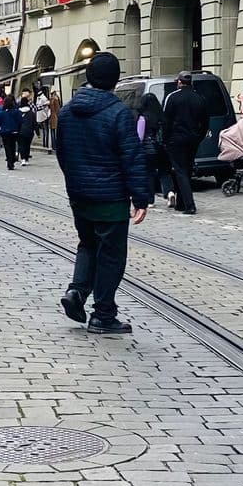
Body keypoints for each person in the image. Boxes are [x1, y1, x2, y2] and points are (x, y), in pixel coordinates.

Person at [54, 50, 153, 335]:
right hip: (110, 196)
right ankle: (103, 313)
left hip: (79, 194)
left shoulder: (69, 111)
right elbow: (132, 157)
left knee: (87, 244)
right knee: (111, 254)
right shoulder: (119, 113)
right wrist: (141, 198)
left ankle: (76, 291)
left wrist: (76, 180)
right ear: (115, 80)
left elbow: (63, 153)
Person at [161, 72, 208, 216]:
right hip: (193, 138)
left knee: (180, 171)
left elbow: (166, 121)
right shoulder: (200, 98)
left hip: (176, 139)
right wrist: (199, 136)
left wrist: (165, 139)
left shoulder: (173, 97)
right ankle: (181, 203)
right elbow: (206, 121)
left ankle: (189, 205)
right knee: (186, 169)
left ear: (180, 82)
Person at [136, 89, 169, 199]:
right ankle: (170, 192)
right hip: (162, 148)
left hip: (148, 149)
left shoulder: (143, 118)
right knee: (164, 172)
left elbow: (140, 137)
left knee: (149, 173)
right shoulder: (162, 117)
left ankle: (150, 199)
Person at [0, 90, 24, 170]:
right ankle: (12, 158)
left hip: (5, 131)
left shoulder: (2, 112)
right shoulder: (16, 112)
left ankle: (9, 161)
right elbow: (20, 121)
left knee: (7, 146)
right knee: (12, 145)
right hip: (14, 131)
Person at [17, 92, 37, 166]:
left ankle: (22, 159)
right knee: (27, 145)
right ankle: (26, 158)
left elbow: (17, 122)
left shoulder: (18, 112)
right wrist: (37, 132)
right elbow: (35, 123)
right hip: (29, 131)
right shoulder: (31, 113)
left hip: (20, 131)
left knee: (21, 145)